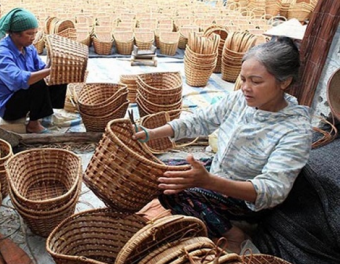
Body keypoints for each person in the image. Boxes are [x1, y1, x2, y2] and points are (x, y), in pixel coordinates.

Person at [133, 37, 312, 253]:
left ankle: (234, 233)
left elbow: (272, 190)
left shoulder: (295, 130)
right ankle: (210, 208)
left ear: (284, 82)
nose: (246, 88)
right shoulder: (239, 100)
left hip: (244, 200)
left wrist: (208, 182)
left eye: (255, 81)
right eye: (243, 79)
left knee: (172, 191)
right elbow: (199, 120)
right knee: (161, 172)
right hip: (219, 170)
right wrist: (151, 133)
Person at [0, 8, 68, 134]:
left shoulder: (29, 48)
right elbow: (18, 80)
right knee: (37, 83)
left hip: (22, 95)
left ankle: (47, 114)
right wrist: (49, 71)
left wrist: (56, 66)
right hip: (7, 106)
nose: (33, 38)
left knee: (59, 78)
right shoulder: (1, 53)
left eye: (35, 33)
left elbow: (42, 69)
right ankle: (33, 125)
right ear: (14, 34)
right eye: (29, 34)